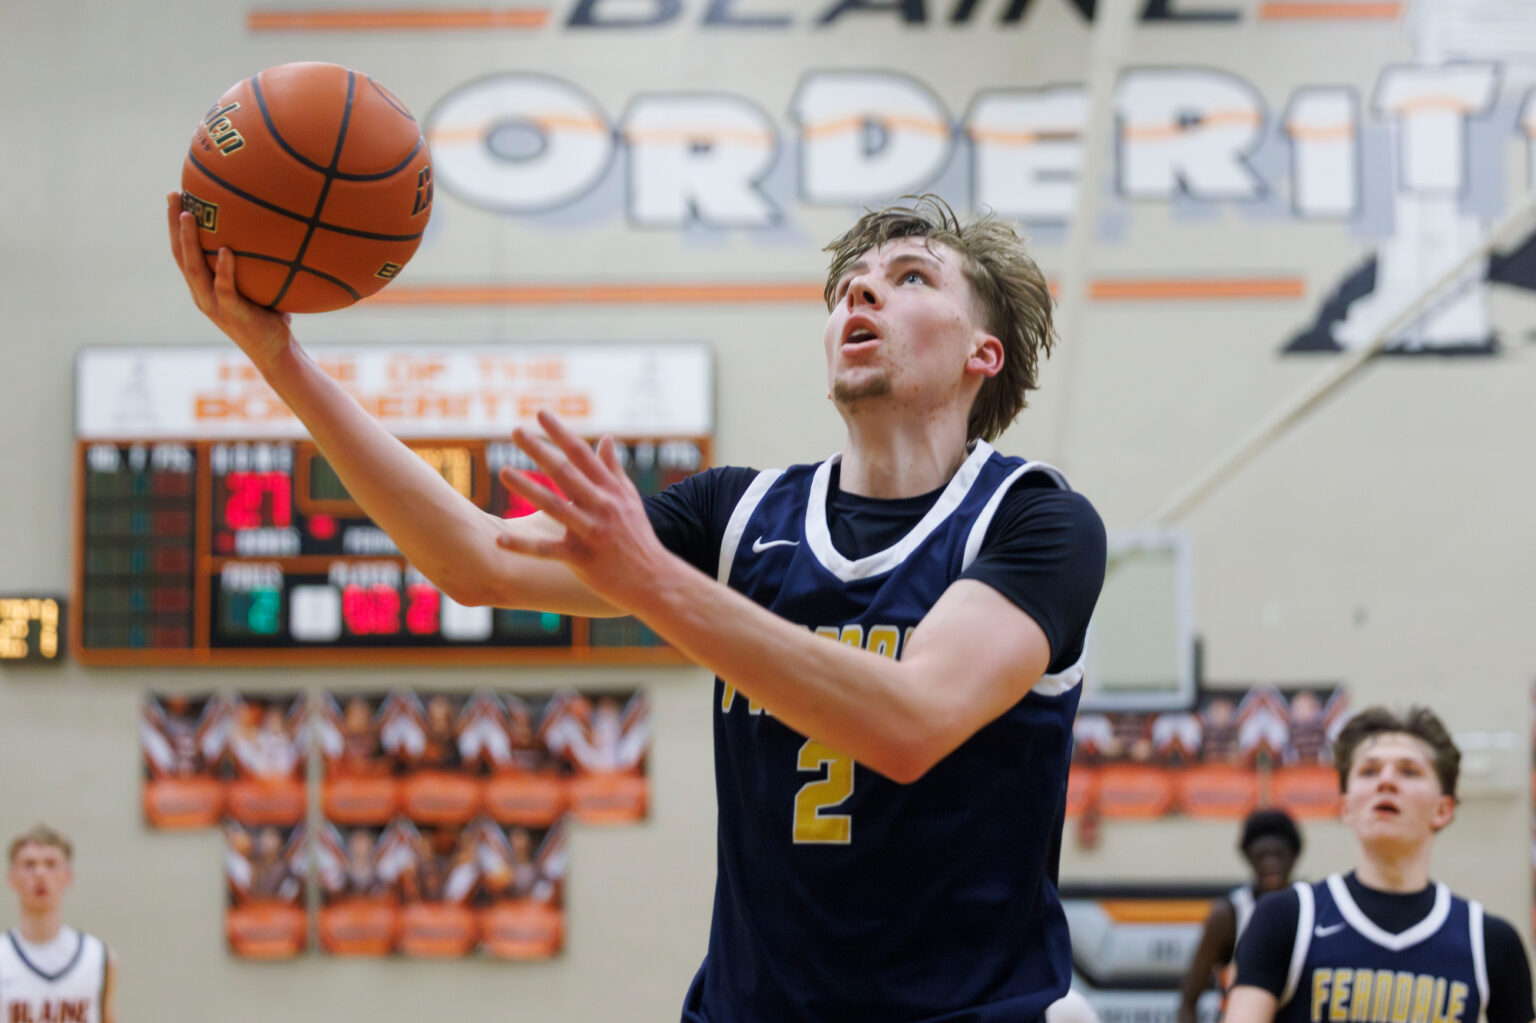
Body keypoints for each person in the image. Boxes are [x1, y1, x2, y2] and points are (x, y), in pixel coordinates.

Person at [168, 191, 1106, 1020]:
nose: (862, 294)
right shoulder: (738, 513)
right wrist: (279, 356)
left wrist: (650, 580)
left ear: (986, 351)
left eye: (909, 278)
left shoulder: (1036, 524)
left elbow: (911, 722)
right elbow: (474, 560)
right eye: (850, 283)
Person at [1224, 706, 1535, 1023]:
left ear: (1443, 809)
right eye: (1369, 771)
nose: (1386, 781)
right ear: (1346, 807)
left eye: (1409, 771)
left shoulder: (1489, 941)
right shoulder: (1287, 918)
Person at [1177, 808, 1304, 1023]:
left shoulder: (1314, 906)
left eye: (1278, 855)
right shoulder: (1228, 915)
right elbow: (1188, 1001)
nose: (1271, 863)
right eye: (1262, 855)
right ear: (1248, 856)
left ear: (1294, 856)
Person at [2, 826, 117, 1023]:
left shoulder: (99, 956)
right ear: (12, 877)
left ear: (68, 875)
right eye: (29, 865)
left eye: (51, 864)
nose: (39, 873)